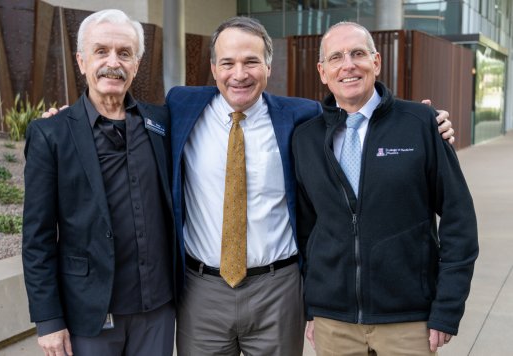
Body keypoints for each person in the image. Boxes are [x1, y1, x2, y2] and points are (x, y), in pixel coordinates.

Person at [167, 17, 455, 355]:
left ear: (268, 67)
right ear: (214, 68)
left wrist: (424, 124)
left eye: (251, 61)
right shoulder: (179, 107)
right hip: (202, 290)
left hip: (278, 290)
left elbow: (355, 111)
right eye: (228, 63)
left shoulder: (301, 117)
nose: (239, 74)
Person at [292, 21, 478, 356]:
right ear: (323, 71)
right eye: (336, 57)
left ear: (376, 62)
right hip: (335, 323)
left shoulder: (421, 123)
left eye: (358, 53)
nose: (348, 64)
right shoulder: (305, 139)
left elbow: (458, 220)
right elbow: (305, 230)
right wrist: (313, 306)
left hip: (408, 321)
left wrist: (447, 308)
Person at [22, 9, 175, 356]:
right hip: (89, 312)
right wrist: (48, 320)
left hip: (158, 309)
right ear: (81, 60)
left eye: (124, 53)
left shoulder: (162, 123)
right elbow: (37, 238)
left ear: (136, 64)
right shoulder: (52, 134)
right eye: (101, 51)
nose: (113, 63)